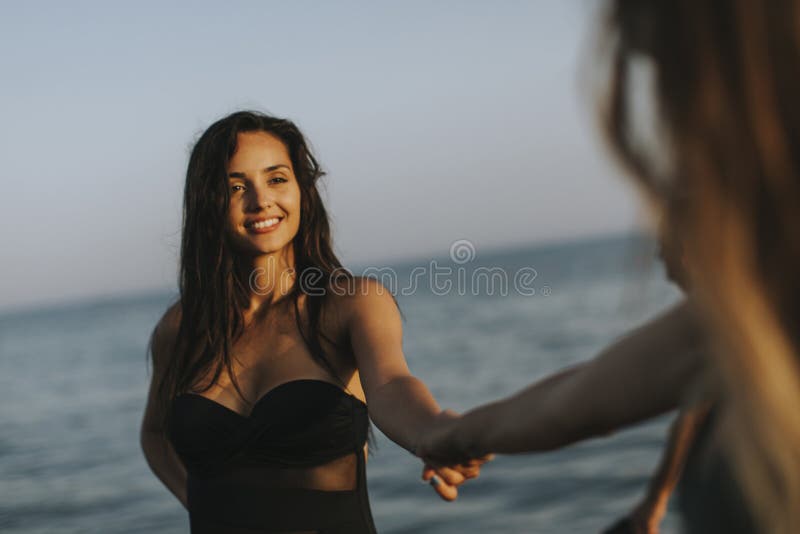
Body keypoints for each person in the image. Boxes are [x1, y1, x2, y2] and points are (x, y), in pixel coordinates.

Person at [418, 1, 800, 532]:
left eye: (673, 67)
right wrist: (448, 436)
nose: (669, 109)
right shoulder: (756, 306)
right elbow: (576, 402)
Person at [139, 111, 488, 533]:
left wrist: (432, 432)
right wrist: (199, 505)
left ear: (302, 190)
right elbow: (155, 436)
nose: (260, 200)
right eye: (235, 186)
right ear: (207, 202)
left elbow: (392, 385)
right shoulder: (179, 330)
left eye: (277, 179)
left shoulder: (351, 304)